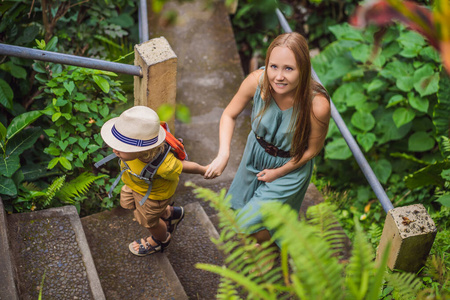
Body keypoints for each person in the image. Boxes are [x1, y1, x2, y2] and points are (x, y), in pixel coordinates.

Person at [204, 32, 331, 246]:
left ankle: (269, 244)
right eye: (274, 66)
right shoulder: (258, 81)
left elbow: (312, 150)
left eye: (288, 68)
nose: (278, 76)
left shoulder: (317, 104)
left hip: (290, 166)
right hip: (255, 154)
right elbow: (229, 114)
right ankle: (264, 243)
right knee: (237, 212)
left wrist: (278, 172)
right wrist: (224, 154)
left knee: (247, 222)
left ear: (303, 69)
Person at [100, 106, 207, 256]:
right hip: (135, 185)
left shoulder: (165, 165)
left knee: (149, 222)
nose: (114, 150)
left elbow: (185, 167)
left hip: (153, 196)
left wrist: (204, 170)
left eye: (121, 147)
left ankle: (161, 239)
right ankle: (170, 214)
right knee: (130, 204)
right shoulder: (133, 154)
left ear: (142, 150)